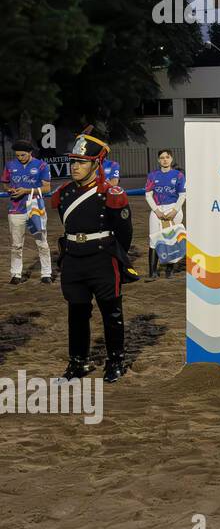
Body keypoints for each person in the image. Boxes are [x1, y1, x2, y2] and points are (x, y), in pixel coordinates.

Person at [49, 130, 135, 382]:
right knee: (76, 314)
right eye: (72, 161)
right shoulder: (64, 193)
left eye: (81, 162)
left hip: (102, 260)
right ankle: (77, 364)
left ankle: (115, 361)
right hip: (74, 260)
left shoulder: (111, 193)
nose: (74, 166)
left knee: (112, 314)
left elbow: (124, 234)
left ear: (96, 164)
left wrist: (114, 256)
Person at [4, 139, 52, 284]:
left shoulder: (42, 165)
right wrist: (10, 190)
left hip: (35, 209)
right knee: (16, 245)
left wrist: (26, 190)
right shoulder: (10, 166)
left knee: (42, 242)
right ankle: (16, 274)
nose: (20, 158)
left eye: (23, 155)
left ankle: (46, 273)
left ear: (30, 153)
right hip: (15, 210)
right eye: (17, 155)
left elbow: (47, 188)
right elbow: (6, 185)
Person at [144, 149, 185, 279]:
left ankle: (169, 271)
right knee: (154, 238)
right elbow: (148, 195)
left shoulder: (178, 175)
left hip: (174, 209)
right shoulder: (153, 175)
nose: (165, 160)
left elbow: (183, 195)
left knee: (172, 239)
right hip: (157, 209)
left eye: (167, 157)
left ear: (171, 159)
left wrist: (174, 211)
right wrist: (156, 210)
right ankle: (152, 272)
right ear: (158, 160)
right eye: (162, 157)